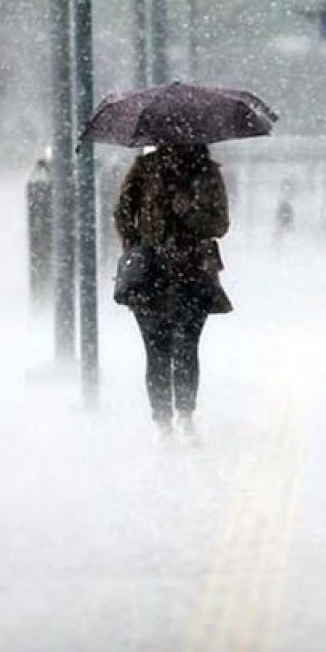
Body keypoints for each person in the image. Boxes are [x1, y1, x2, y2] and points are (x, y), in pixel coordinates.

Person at [114, 143, 232, 437]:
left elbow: (220, 224)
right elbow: (123, 213)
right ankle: (162, 419)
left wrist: (189, 212)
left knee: (187, 346)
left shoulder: (207, 173)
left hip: (193, 272)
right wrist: (138, 248)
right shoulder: (145, 170)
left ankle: (184, 413)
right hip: (151, 275)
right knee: (157, 350)